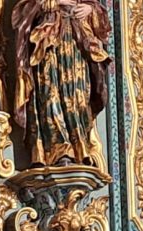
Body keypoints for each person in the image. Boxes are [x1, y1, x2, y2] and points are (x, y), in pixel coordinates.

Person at [11, 0, 111, 170]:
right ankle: (57, 150)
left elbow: (100, 14)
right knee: (50, 93)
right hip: (47, 40)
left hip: (76, 41)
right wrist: (51, 3)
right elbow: (22, 10)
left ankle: (79, 149)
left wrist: (90, 9)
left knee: (77, 96)